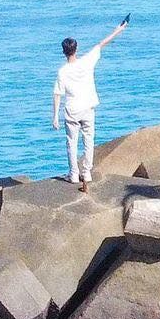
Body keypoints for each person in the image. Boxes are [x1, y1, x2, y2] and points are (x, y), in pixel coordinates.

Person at [52, 18, 129, 192]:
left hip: (71, 110)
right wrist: (120, 29)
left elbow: (57, 94)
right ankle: (86, 172)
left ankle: (73, 174)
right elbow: (102, 43)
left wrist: (55, 116)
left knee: (71, 142)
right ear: (76, 49)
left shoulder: (62, 71)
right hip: (87, 107)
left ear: (64, 52)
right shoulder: (87, 61)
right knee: (89, 140)